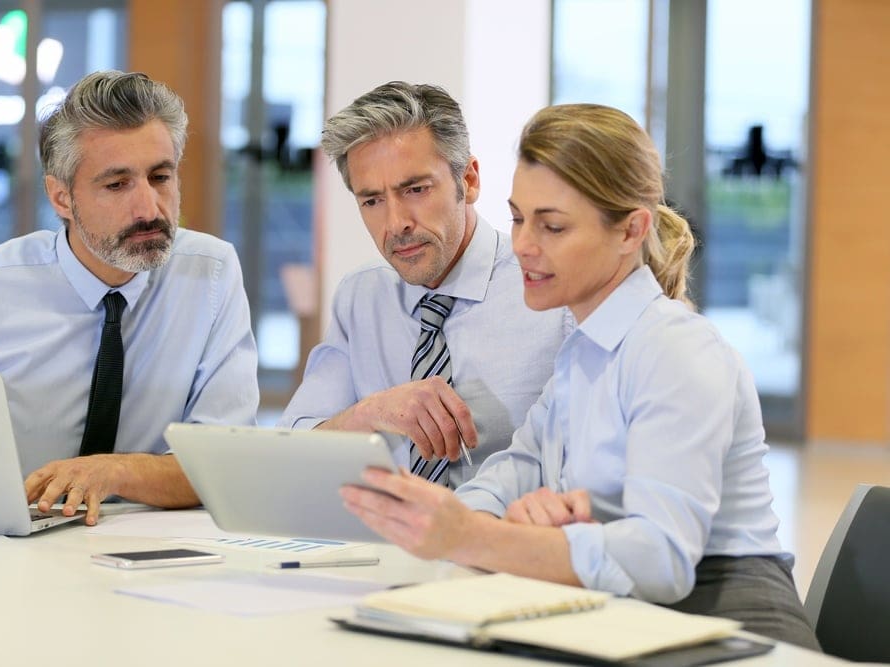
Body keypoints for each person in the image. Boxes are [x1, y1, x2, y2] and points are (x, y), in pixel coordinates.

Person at [340, 103, 819, 649]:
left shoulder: (675, 350)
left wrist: (478, 536)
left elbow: (661, 560)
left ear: (630, 231)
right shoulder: (580, 354)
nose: (522, 245)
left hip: (732, 624)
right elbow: (509, 475)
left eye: (553, 226)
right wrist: (476, 522)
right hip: (632, 619)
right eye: (519, 218)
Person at [0, 71, 259, 525]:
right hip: (5, 545)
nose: (149, 208)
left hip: (147, 550)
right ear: (61, 197)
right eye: (117, 184)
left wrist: (115, 472)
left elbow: (229, 462)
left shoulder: (211, 272)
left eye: (160, 177)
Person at [278, 82, 564, 488]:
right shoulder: (362, 298)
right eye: (372, 200)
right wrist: (369, 413)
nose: (396, 224)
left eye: (415, 190)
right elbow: (291, 451)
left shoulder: (551, 293)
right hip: (383, 543)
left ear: (470, 180)